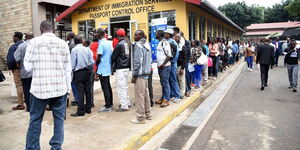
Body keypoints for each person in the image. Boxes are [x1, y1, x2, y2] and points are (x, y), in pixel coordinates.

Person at [24, 21, 72, 149]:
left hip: (40, 88)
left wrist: (39, 66)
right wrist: (68, 89)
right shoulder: (63, 44)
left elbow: (27, 67)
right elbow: (68, 68)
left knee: (35, 120)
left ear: (41, 29)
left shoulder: (34, 42)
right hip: (59, 88)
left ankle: (33, 148)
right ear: (53, 30)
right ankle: (56, 147)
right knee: (59, 120)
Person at [131, 30, 152, 124]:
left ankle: (140, 118)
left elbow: (137, 62)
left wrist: (134, 74)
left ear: (141, 36)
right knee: (146, 95)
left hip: (140, 74)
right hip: (147, 73)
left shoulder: (138, 46)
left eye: (136, 35)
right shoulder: (147, 45)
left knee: (139, 96)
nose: (134, 36)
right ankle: (148, 114)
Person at [70, 36, 94, 117]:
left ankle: (80, 111)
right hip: (88, 71)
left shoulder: (74, 50)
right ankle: (88, 108)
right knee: (88, 90)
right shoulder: (87, 49)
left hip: (79, 72)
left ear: (75, 41)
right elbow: (92, 61)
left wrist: (71, 74)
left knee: (80, 92)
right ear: (81, 41)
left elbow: (73, 64)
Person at [111, 28, 131, 111]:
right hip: (126, 67)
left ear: (117, 35)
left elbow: (113, 57)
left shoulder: (119, 44)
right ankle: (127, 102)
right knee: (125, 86)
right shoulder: (126, 42)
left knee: (121, 87)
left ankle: (124, 105)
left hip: (121, 68)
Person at [14, 32, 34, 112]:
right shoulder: (37, 45)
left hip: (25, 72)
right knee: (36, 90)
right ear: (33, 37)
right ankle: (38, 107)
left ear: (25, 37)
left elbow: (17, 57)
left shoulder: (21, 46)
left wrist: (19, 64)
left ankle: (29, 107)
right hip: (36, 73)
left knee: (27, 90)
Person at [96, 28, 114, 112]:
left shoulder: (102, 44)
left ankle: (107, 106)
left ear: (99, 34)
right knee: (108, 86)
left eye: (96, 33)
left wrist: (96, 66)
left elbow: (98, 57)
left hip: (102, 68)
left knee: (105, 88)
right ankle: (110, 103)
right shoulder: (108, 43)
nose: (95, 35)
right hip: (107, 68)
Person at [7, 32, 25, 110]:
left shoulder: (14, 47)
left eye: (13, 37)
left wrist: (10, 67)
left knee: (19, 85)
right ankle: (27, 100)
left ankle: (21, 103)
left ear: (17, 38)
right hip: (26, 69)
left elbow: (11, 60)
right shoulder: (25, 45)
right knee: (26, 84)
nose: (13, 38)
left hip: (17, 68)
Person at [155, 30, 172, 108]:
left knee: (165, 83)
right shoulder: (159, 43)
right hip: (160, 66)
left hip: (165, 67)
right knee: (162, 83)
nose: (155, 34)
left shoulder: (165, 43)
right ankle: (163, 98)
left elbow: (169, 55)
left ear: (159, 35)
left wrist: (163, 64)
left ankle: (166, 99)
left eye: (156, 33)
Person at [164, 29, 181, 102]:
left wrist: (172, 62)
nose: (164, 35)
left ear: (169, 35)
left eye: (166, 33)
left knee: (173, 80)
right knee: (170, 80)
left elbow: (176, 54)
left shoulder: (172, 42)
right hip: (169, 64)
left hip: (172, 64)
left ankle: (177, 95)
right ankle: (172, 94)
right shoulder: (167, 42)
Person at [68, 32, 79, 106]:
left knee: (73, 83)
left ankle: (76, 99)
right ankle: (77, 98)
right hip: (76, 66)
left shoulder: (72, 44)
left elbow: (71, 56)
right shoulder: (72, 43)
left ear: (70, 36)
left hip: (73, 66)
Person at [174, 34, 187, 99]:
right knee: (175, 80)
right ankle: (177, 92)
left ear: (180, 38)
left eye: (177, 37)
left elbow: (185, 58)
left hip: (180, 66)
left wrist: (182, 68)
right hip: (174, 66)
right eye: (175, 37)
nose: (176, 38)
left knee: (181, 80)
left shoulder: (183, 46)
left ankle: (182, 93)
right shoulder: (174, 45)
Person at [90, 37, 99, 107]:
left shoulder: (92, 45)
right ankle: (96, 76)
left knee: (89, 86)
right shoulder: (99, 44)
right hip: (96, 58)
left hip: (93, 59)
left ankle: (91, 101)